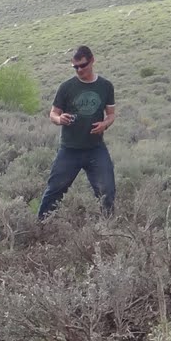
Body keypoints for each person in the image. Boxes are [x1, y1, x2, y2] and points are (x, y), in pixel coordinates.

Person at [38, 45, 117, 219]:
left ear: (92, 60)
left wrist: (105, 124)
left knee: (107, 191)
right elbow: (53, 114)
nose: (79, 70)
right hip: (70, 149)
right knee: (54, 190)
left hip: (95, 148)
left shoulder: (105, 86)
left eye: (83, 65)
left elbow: (111, 115)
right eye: (75, 67)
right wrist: (60, 119)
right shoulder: (66, 87)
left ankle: (108, 227)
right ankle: (41, 226)